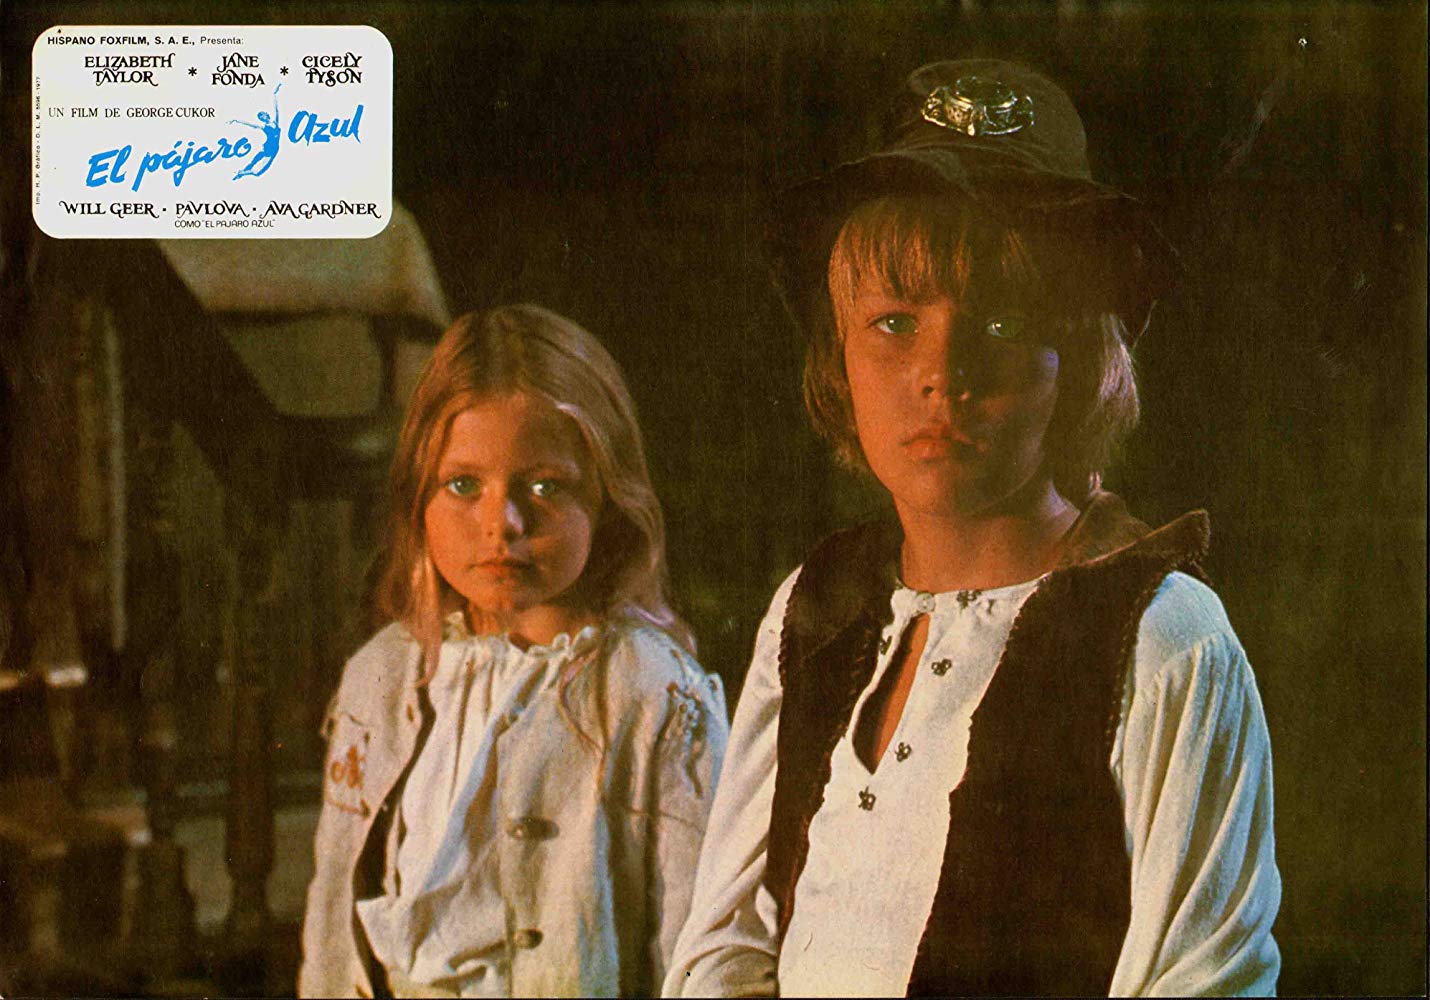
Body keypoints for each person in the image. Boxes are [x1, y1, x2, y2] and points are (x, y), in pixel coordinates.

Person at [664, 60, 1280, 997]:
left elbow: (1204, 980)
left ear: (1076, 362)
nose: (940, 374)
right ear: (839, 357)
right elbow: (724, 948)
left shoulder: (1164, 640)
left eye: (1000, 326)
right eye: (893, 323)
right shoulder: (815, 610)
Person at [300, 304, 728, 998]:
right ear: (419, 496)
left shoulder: (653, 691)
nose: (502, 523)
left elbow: (701, 946)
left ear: (607, 494)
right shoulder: (381, 677)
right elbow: (330, 925)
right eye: (463, 485)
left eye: (545, 486)